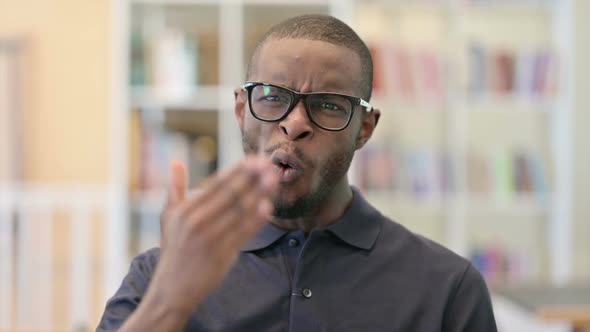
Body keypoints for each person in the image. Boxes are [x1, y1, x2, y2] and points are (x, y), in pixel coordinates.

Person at [97, 14, 497, 332]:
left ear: (365, 128)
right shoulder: (161, 273)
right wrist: (170, 302)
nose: (294, 124)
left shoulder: (448, 288)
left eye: (328, 105)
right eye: (272, 97)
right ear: (241, 110)